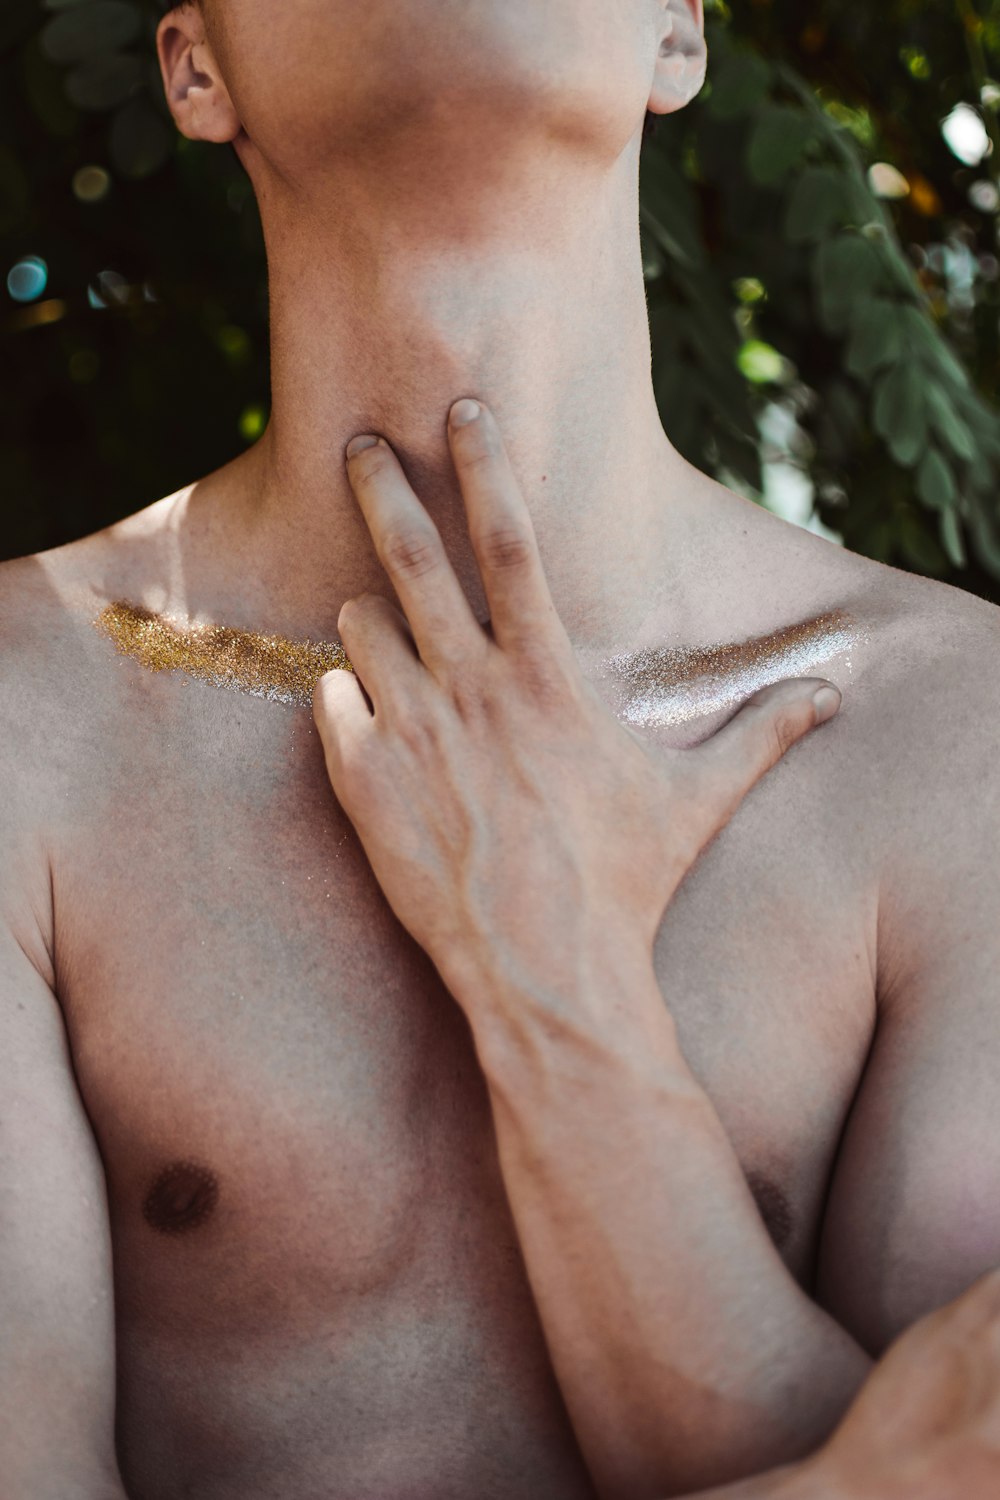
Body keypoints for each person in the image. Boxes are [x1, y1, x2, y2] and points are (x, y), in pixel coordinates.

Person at [2, 1, 999, 1496]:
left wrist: (566, 977)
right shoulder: (25, 713)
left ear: (678, 36)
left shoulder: (964, 732)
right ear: (196, 63)